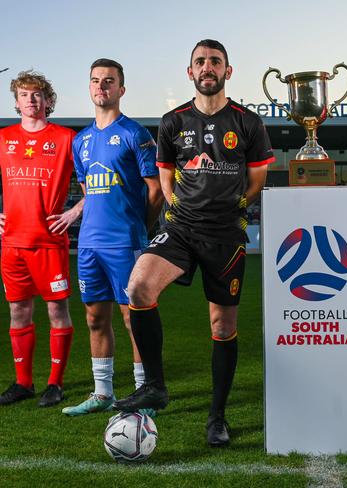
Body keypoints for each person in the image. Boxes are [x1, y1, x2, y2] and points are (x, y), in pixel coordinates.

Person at [114, 39, 274, 446]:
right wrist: (176, 207)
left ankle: (216, 418)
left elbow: (257, 177)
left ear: (227, 71)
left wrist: (237, 204)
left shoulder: (248, 122)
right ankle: (155, 385)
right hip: (181, 227)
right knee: (139, 287)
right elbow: (165, 174)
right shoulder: (172, 121)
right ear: (190, 72)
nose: (208, 67)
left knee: (222, 326)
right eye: (200, 61)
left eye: (215, 61)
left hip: (226, 234)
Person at [61, 59, 163, 416]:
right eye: (95, 81)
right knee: (94, 318)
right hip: (89, 245)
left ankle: (142, 393)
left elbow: (155, 190)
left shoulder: (136, 134)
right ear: (89, 88)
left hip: (125, 242)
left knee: (132, 318)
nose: (101, 86)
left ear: (121, 89)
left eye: (109, 81)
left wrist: (140, 227)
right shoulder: (81, 141)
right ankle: (102, 393)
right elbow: (91, 190)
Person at [0, 70, 80, 407]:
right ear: (16, 103)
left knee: (56, 311)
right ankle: (23, 382)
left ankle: (55, 383)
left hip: (49, 242)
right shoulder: (4, 138)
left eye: (37, 94)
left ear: (48, 100)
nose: (31, 100)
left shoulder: (66, 138)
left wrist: (75, 212)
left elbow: (98, 180)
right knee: (18, 311)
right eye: (24, 95)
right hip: (12, 243)